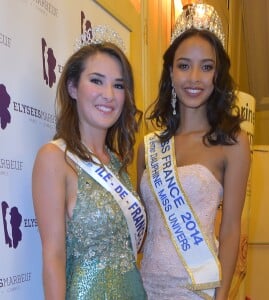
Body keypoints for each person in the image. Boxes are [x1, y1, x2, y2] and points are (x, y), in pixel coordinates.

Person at [137, 4, 250, 300]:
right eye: (184, 65)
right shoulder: (149, 146)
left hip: (197, 290)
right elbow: (141, 227)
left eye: (207, 66)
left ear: (218, 74)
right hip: (145, 285)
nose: (195, 77)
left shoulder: (233, 142)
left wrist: (221, 296)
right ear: (171, 73)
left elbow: (230, 230)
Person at [32, 25, 147, 300]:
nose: (109, 94)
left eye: (118, 85)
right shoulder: (54, 158)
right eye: (96, 81)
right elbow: (53, 257)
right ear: (73, 87)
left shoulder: (118, 163)